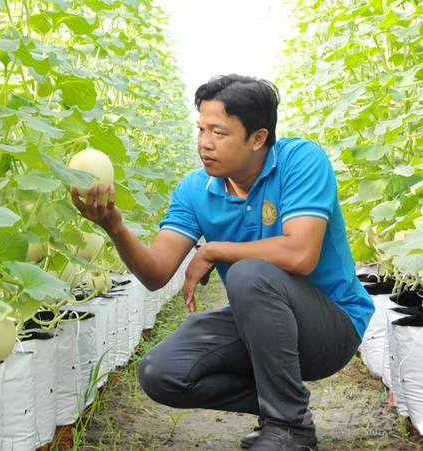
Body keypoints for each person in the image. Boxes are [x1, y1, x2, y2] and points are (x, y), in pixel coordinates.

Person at [70, 74, 374, 451]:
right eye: (200, 130)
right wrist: (113, 225)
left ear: (258, 138)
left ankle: (289, 427)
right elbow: (156, 273)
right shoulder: (195, 189)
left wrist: (214, 250)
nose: (204, 143)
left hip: (330, 326)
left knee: (249, 272)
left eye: (219, 132)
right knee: (161, 373)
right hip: (257, 325)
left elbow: (300, 254)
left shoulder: (301, 160)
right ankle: (283, 407)